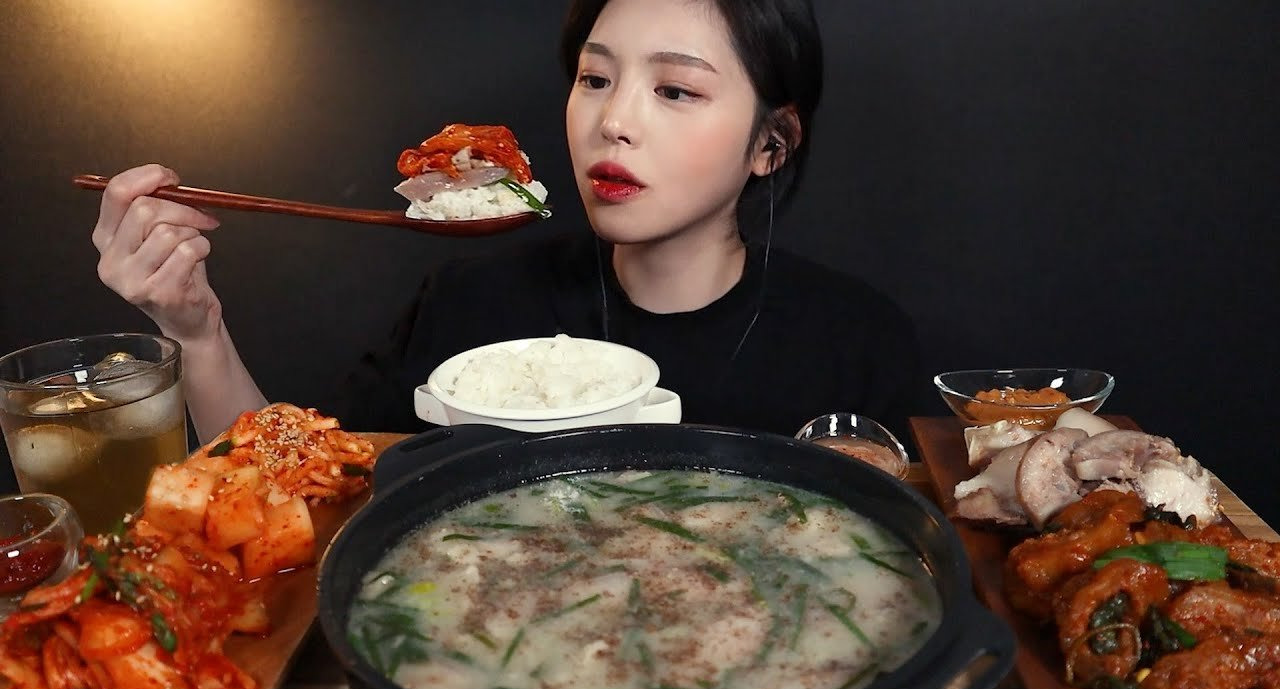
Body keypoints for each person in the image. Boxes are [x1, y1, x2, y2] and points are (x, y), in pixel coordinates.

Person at [90, 0, 921, 447]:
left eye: (675, 90)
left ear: (771, 144)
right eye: (595, 79)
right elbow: (296, 498)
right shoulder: (470, 303)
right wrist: (196, 334)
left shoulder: (856, 339)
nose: (614, 121)